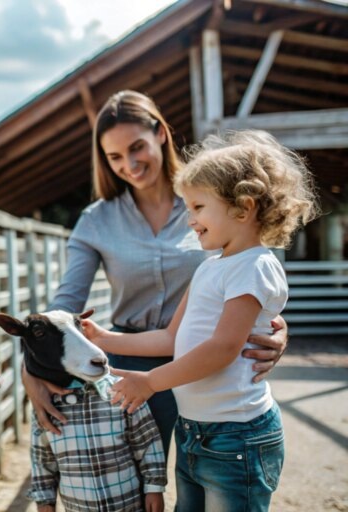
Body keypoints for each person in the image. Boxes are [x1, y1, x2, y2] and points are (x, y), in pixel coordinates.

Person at [22, 91, 288, 454]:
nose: (129, 164)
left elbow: (253, 271)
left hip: (211, 366)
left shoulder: (217, 203)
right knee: (135, 490)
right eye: (114, 156)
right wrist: (30, 366)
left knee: (212, 475)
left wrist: (275, 328)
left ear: (161, 134)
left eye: (137, 147)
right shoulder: (96, 221)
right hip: (129, 364)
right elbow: (65, 304)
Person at [84, 130, 318, 511]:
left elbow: (223, 348)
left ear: (243, 208)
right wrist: (104, 338)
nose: (190, 220)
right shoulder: (212, 268)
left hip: (236, 436)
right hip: (194, 430)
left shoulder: (254, 267)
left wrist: (151, 382)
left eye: (197, 207)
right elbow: (170, 337)